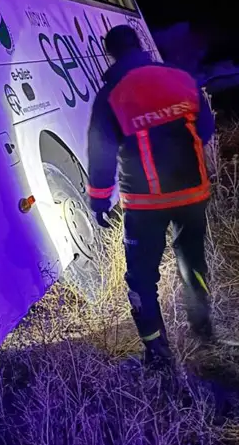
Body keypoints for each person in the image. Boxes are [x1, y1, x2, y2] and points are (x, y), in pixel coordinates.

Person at [87, 24, 216, 363]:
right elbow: (205, 130)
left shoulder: (111, 94)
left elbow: (100, 151)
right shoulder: (180, 77)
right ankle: (203, 329)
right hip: (192, 193)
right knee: (192, 261)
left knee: (141, 277)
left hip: (145, 204)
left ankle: (157, 352)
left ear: (110, 54)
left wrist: (99, 198)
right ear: (141, 44)